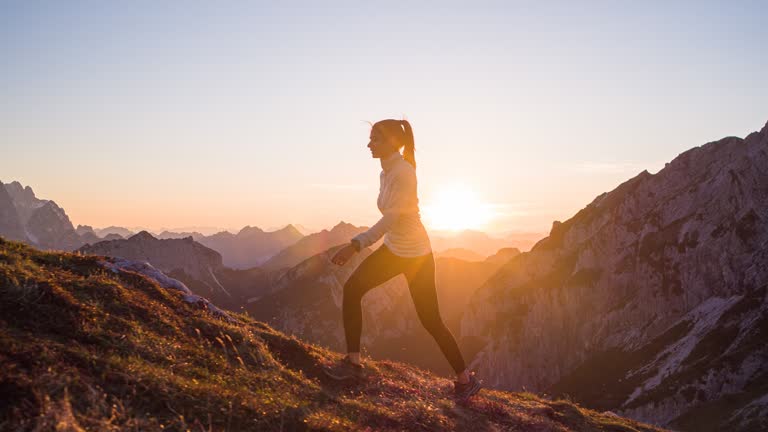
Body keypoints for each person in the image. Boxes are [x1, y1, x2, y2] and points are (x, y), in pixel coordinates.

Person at [323, 118, 482, 402]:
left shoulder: (404, 172)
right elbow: (391, 220)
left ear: (393, 142)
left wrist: (356, 245)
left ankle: (465, 380)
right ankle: (354, 362)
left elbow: (391, 218)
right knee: (352, 290)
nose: (369, 144)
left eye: (376, 139)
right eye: (370, 138)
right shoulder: (387, 171)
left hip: (416, 256)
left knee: (430, 320)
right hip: (395, 249)